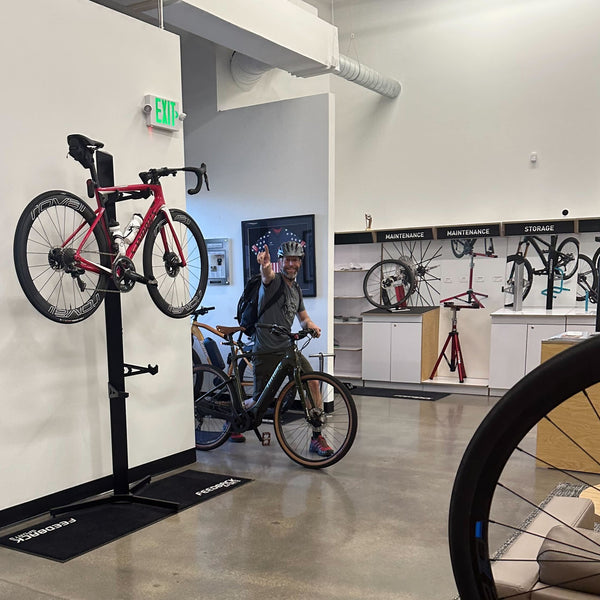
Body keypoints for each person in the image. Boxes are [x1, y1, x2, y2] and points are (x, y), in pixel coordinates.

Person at [243, 240, 333, 457]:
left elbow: (303, 318)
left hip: (286, 346)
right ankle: (234, 420)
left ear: (300, 262)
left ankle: (316, 436)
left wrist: (311, 327)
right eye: (287, 259)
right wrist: (264, 265)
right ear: (281, 261)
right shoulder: (273, 282)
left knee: (312, 381)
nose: (291, 263)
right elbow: (266, 275)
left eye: (295, 259)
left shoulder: (297, 290)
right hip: (265, 348)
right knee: (258, 401)